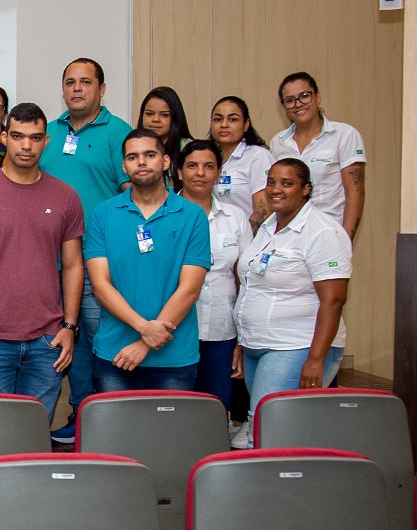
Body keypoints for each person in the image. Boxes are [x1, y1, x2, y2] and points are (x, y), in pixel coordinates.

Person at [0, 103, 85, 419]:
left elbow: (73, 265)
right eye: (18, 136)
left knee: (33, 437)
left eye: (35, 137)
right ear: (4, 138)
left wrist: (69, 326)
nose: (26, 146)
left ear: (46, 141)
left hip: (47, 342)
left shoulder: (66, 197)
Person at [38, 58, 134, 442]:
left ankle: (107, 421)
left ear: (102, 88)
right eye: (70, 82)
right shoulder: (48, 132)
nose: (77, 89)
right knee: (67, 343)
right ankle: (81, 414)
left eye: (85, 82)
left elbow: (132, 197)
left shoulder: (118, 133)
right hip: (46, 265)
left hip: (96, 264)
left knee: (98, 340)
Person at [230, 158, 351, 448]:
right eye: (271, 182)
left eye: (287, 183)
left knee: (269, 429)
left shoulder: (322, 231)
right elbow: (251, 286)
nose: (276, 189)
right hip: (256, 346)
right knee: (267, 425)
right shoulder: (269, 226)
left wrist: (315, 360)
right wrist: (241, 341)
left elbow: (333, 300)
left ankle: (270, 488)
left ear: (306, 189)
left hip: (296, 346)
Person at [84, 129, 210, 391]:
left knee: (167, 433)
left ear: (165, 162)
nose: (141, 162)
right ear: (124, 166)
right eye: (132, 157)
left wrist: (145, 343)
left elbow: (189, 290)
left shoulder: (193, 216)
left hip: (174, 357)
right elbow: (100, 285)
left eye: (149, 155)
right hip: (115, 354)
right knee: (117, 432)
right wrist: (145, 328)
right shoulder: (103, 214)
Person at [175, 140, 252, 421]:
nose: (200, 173)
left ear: (219, 172)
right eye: (192, 166)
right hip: (175, 330)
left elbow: (247, 280)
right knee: (178, 411)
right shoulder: (164, 216)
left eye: (209, 167)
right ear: (179, 172)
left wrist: (242, 340)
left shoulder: (236, 218)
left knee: (215, 409)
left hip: (222, 331)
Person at [269, 72, 366, 240]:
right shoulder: (278, 142)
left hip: (327, 234)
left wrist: (344, 241)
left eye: (304, 96)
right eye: (290, 100)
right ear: (284, 106)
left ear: (318, 96)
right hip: (287, 237)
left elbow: (355, 193)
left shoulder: (344, 135)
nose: (298, 104)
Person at [208, 96, 274, 227]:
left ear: (246, 125)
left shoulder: (258, 156)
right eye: (217, 119)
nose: (224, 125)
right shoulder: (210, 159)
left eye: (233, 119)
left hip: (248, 238)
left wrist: (243, 240)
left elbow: (264, 212)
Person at [137, 86, 194, 191]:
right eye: (149, 114)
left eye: (164, 115)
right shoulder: (134, 146)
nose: (155, 119)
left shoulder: (187, 148)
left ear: (175, 118)